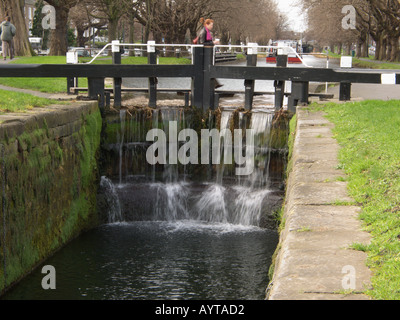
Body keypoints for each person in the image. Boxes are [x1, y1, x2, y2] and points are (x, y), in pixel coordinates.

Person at [197, 18, 222, 89]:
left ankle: (214, 85)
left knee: (208, 69)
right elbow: (202, 43)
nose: (212, 26)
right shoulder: (203, 32)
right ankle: (214, 85)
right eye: (211, 25)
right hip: (203, 54)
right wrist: (213, 43)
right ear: (207, 25)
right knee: (206, 69)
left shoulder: (206, 31)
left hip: (207, 54)